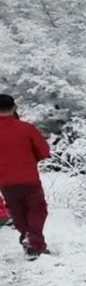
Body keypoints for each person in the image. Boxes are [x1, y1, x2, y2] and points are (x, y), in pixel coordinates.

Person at [0, 94, 51, 259]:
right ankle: (35, 242)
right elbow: (44, 151)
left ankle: (27, 236)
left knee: (16, 209)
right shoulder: (26, 128)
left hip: (5, 181)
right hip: (29, 177)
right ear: (14, 108)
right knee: (37, 209)